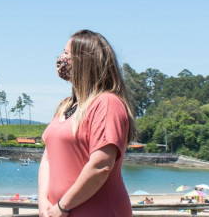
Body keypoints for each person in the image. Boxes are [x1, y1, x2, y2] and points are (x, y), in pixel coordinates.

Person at [38, 30, 136, 217]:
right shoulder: (66, 106)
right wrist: (43, 201)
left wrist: (62, 207)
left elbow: (101, 165)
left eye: (66, 53)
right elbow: (48, 157)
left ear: (84, 61)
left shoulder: (107, 103)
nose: (61, 59)